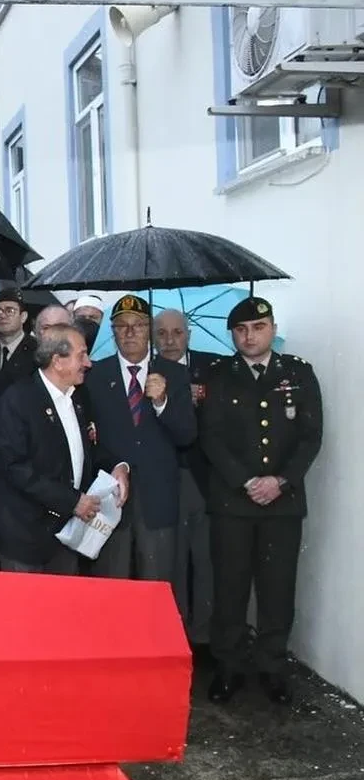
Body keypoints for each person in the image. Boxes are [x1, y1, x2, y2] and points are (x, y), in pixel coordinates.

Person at [200, 297, 322, 705]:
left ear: (272, 329)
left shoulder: (299, 374)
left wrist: (281, 481)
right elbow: (211, 438)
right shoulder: (218, 376)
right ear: (231, 334)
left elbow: (310, 436)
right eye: (241, 329)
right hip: (234, 503)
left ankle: (272, 666)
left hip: (282, 504)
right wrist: (248, 481)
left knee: (277, 589)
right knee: (230, 587)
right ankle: (229, 667)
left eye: (258, 327)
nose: (250, 336)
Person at [0, 326, 130, 574]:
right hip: (25, 534)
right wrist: (72, 501)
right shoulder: (18, 399)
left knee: (63, 610)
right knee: (27, 611)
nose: (88, 363)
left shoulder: (78, 397)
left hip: (66, 534)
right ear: (57, 361)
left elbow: (87, 449)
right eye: (81, 355)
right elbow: (15, 467)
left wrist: (117, 466)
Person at [83, 295, 196, 584]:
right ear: (112, 330)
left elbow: (187, 435)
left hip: (158, 503)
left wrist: (162, 403)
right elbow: (87, 439)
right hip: (110, 502)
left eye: (138, 325)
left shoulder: (174, 373)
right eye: (122, 325)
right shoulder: (94, 375)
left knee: (156, 589)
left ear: (149, 330)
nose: (130, 332)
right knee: (111, 589)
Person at [154, 308, 222, 646]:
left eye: (177, 332)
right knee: (175, 562)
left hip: (207, 477)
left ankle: (205, 635)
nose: (169, 340)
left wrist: (201, 404)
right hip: (167, 478)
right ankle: (177, 634)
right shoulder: (148, 372)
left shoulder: (213, 367)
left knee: (207, 559)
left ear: (189, 334)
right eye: (162, 333)